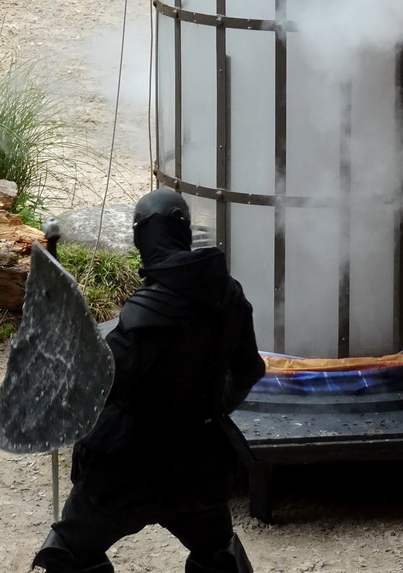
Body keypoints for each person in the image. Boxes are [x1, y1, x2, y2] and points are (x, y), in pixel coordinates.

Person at [31, 187, 265, 573]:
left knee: (70, 553)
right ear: (184, 231)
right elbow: (249, 369)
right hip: (200, 462)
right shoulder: (230, 294)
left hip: (126, 468)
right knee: (218, 554)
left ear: (142, 237)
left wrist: (63, 367)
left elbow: (104, 386)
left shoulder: (149, 309)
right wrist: (211, 408)